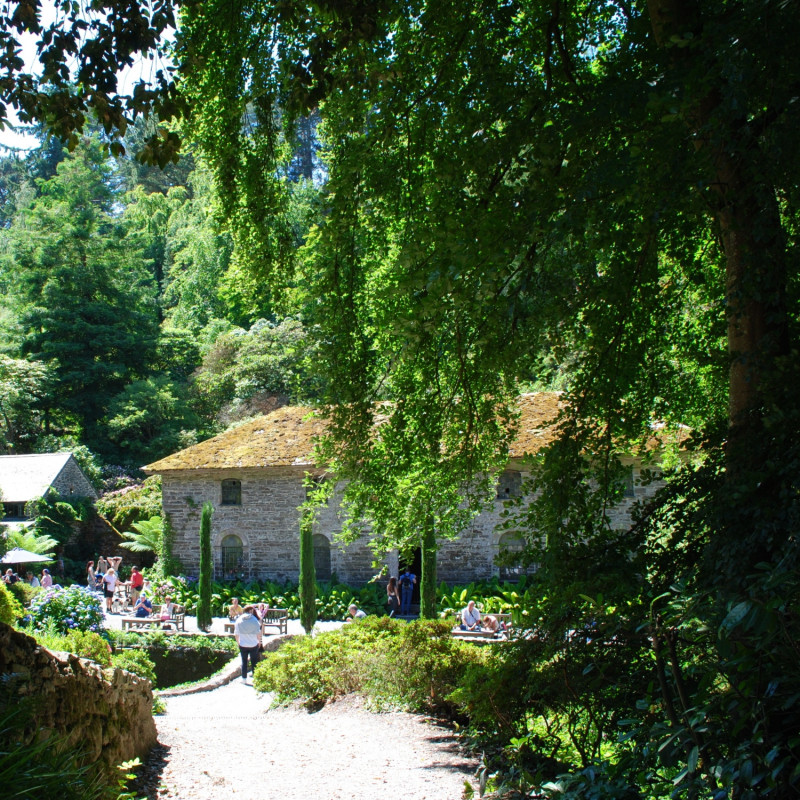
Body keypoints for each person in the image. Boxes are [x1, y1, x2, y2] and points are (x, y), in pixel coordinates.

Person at [234, 605, 262, 683]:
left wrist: (238, 642)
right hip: (253, 644)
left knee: (244, 661)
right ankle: (255, 678)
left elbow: (236, 633)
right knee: (254, 661)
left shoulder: (239, 620)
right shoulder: (254, 620)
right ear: (250, 611)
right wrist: (259, 642)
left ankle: (244, 679)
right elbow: (258, 633)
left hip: (243, 644)